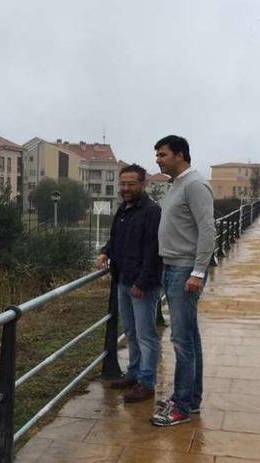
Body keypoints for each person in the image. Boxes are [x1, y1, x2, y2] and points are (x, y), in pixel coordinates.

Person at [150, 135, 215, 427]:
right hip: (172, 266)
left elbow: (207, 230)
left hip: (184, 269)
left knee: (181, 340)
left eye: (162, 154)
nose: (158, 159)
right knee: (189, 337)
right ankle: (191, 399)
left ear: (180, 155)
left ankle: (181, 405)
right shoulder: (176, 185)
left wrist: (198, 271)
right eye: (157, 155)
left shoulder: (195, 185)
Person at [95, 164, 163, 403]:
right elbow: (116, 239)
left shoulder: (152, 212)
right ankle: (133, 373)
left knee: (146, 335)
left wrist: (142, 283)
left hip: (141, 285)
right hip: (122, 280)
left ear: (142, 185)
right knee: (131, 333)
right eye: (122, 184)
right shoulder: (124, 209)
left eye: (131, 183)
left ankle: (147, 382)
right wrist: (105, 252)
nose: (125, 188)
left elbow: (154, 251)